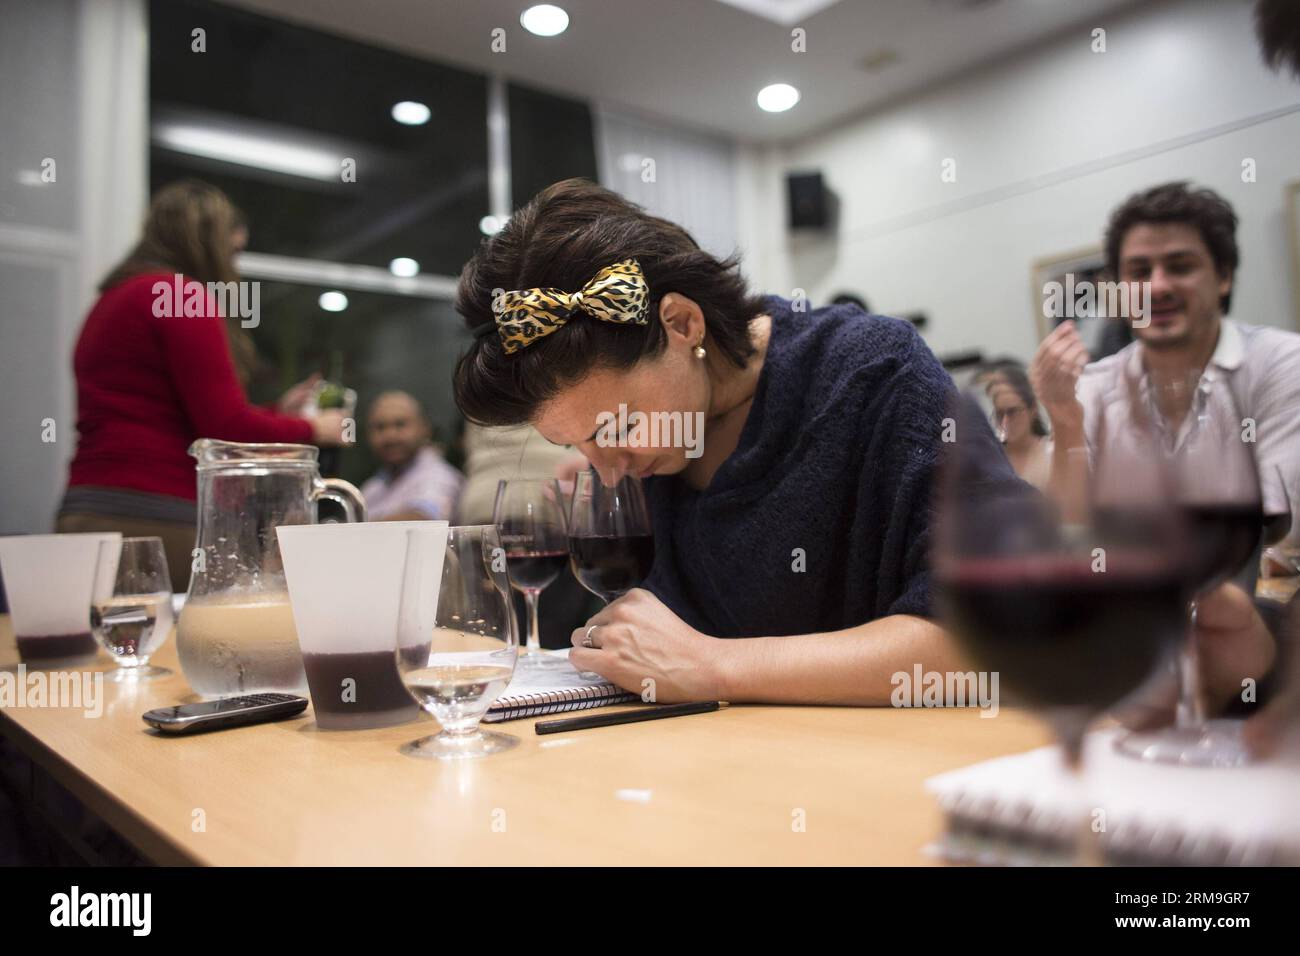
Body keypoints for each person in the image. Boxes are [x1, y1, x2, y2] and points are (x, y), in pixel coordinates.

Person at [452, 178, 1025, 705]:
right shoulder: (645, 459)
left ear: (682, 324)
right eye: (575, 444)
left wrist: (716, 665)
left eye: (617, 429)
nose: (607, 471)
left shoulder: (871, 372)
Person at [1030, 181, 1300, 739]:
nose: (1157, 287)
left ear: (1223, 277)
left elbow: (1276, 530)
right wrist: (1063, 419)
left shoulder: (1280, 364)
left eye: (1180, 266)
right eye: (1138, 271)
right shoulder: (1094, 387)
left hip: (1264, 629)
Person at [57, 180, 344, 591]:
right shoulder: (179, 295)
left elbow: (172, 412)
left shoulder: (112, 300)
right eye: (234, 250)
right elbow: (227, 428)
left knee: (107, 652)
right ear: (209, 243)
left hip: (85, 512)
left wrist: (276, 415)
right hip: (153, 520)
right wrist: (315, 429)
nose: (235, 264)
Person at [359, 391, 463, 521]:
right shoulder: (371, 489)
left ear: (425, 429)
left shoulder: (440, 476)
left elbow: (424, 519)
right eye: (380, 427)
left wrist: (356, 528)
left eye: (400, 424)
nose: (390, 436)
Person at [986, 367, 1053, 491]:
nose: (1005, 422)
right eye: (1000, 414)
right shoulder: (990, 461)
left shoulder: (1052, 454)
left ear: (1033, 410)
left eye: (1012, 412)